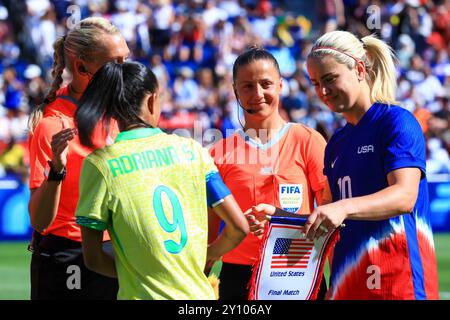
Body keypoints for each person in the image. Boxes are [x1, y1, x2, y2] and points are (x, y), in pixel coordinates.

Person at [246, 30, 439, 300]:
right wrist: (280, 218)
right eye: (314, 83)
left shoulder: (397, 122)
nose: (322, 92)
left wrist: (343, 208)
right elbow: (328, 218)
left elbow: (405, 196)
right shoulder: (336, 143)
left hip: (398, 285)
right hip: (348, 286)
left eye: (330, 79)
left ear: (359, 69)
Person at [74, 61, 249, 300]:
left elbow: (92, 259)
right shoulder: (193, 150)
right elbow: (239, 227)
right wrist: (206, 256)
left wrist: (139, 272)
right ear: (151, 101)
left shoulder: (99, 164)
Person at [209, 46, 328, 300]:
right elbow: (207, 234)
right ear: (235, 92)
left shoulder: (308, 141)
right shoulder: (218, 154)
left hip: (299, 272)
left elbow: (331, 219)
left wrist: (280, 219)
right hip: (237, 279)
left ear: (281, 85)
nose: (258, 94)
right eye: (247, 86)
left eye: (266, 84)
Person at [27, 17, 130, 300]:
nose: (126, 71)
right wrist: (57, 171)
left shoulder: (122, 112)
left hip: (114, 249)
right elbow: (39, 220)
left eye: (126, 59)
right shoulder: (53, 124)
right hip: (69, 256)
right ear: (82, 66)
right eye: (116, 63)